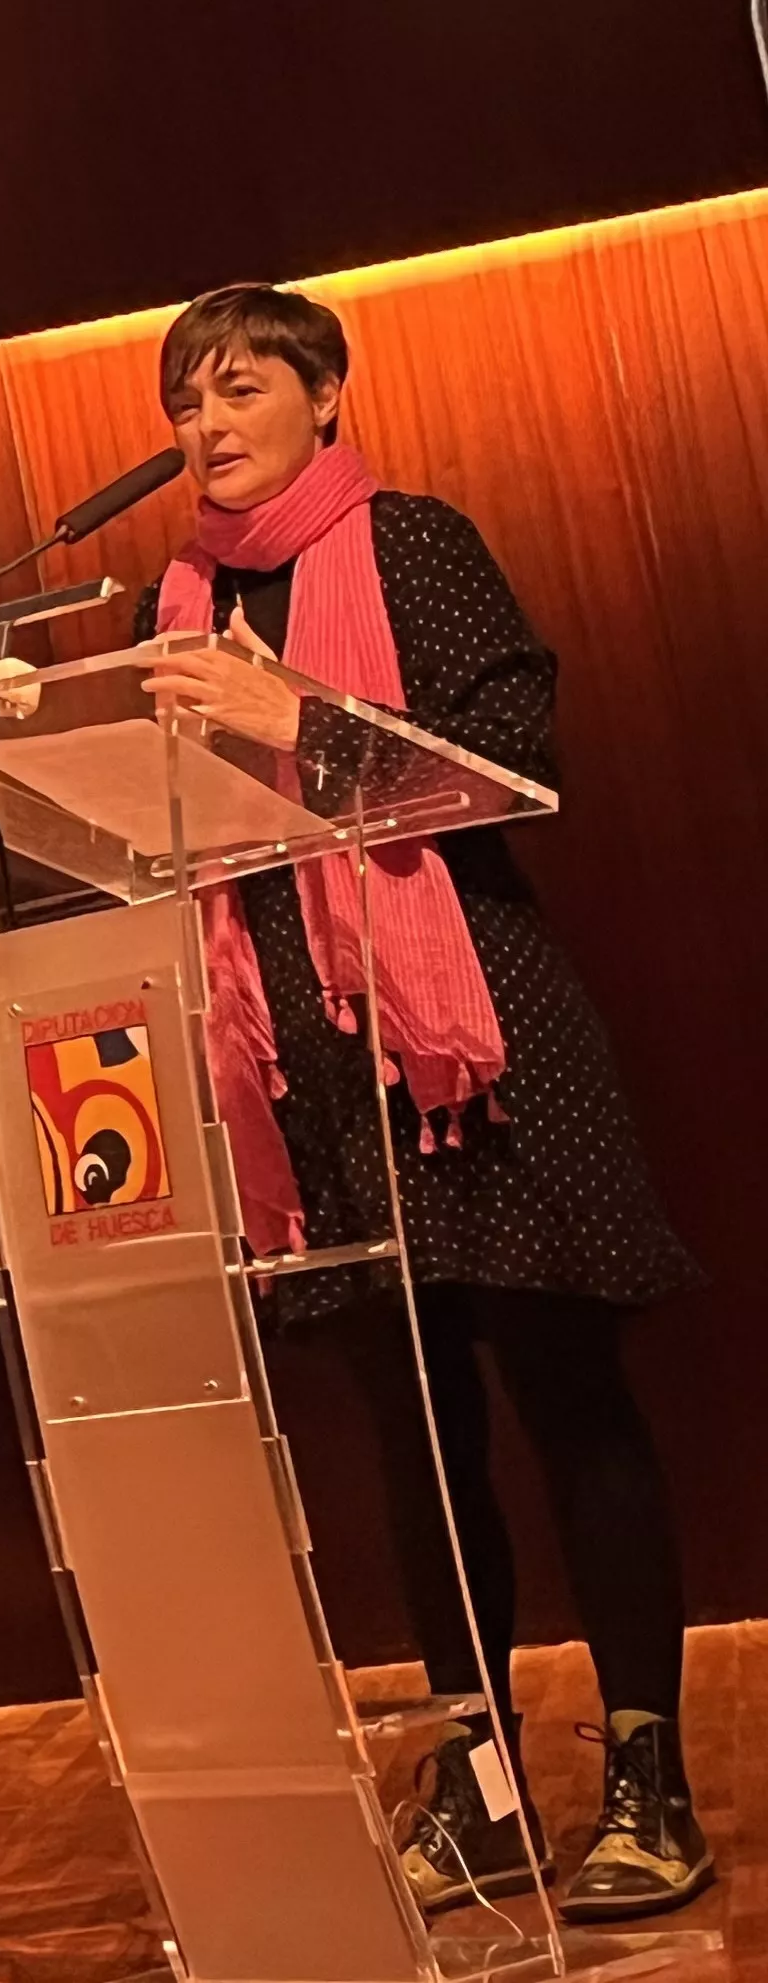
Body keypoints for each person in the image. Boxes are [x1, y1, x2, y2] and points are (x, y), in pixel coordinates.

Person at [136, 284, 709, 1924]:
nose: (209, 419)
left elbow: (513, 758)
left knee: (565, 1397)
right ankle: (484, 1782)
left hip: (472, 1045)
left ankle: (648, 1781)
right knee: (414, 1432)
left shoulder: (415, 544)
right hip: (315, 1070)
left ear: (325, 394)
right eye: (186, 398)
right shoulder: (173, 605)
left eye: (241, 385)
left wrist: (292, 721)